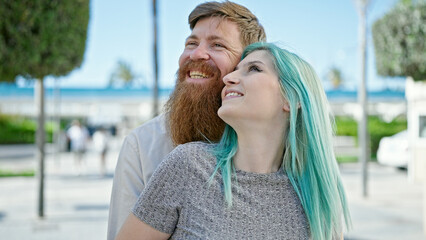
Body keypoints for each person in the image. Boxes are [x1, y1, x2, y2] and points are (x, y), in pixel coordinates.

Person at [116, 43, 352, 240]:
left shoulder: (320, 201)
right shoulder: (188, 166)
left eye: (254, 69)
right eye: (236, 69)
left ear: (291, 99)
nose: (228, 78)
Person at [107, 1, 266, 239]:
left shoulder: (272, 142)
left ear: (247, 64)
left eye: (217, 45)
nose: (196, 54)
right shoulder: (142, 145)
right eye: (191, 43)